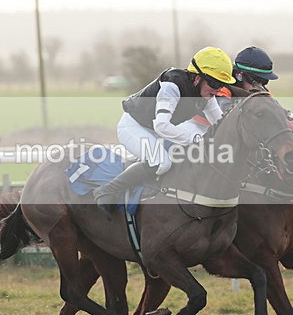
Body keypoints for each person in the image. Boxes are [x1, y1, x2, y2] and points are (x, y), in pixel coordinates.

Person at [93, 46, 236, 212]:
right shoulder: (172, 85)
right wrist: (196, 140)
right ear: (197, 78)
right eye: (214, 83)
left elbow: (220, 125)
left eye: (222, 84)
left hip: (156, 131)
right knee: (162, 163)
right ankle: (107, 190)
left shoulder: (206, 96)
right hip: (133, 126)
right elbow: (161, 125)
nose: (218, 89)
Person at [232, 46, 293, 124]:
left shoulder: (262, 92)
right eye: (256, 80)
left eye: (264, 81)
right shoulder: (224, 94)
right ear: (239, 76)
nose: (260, 86)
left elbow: (277, 109)